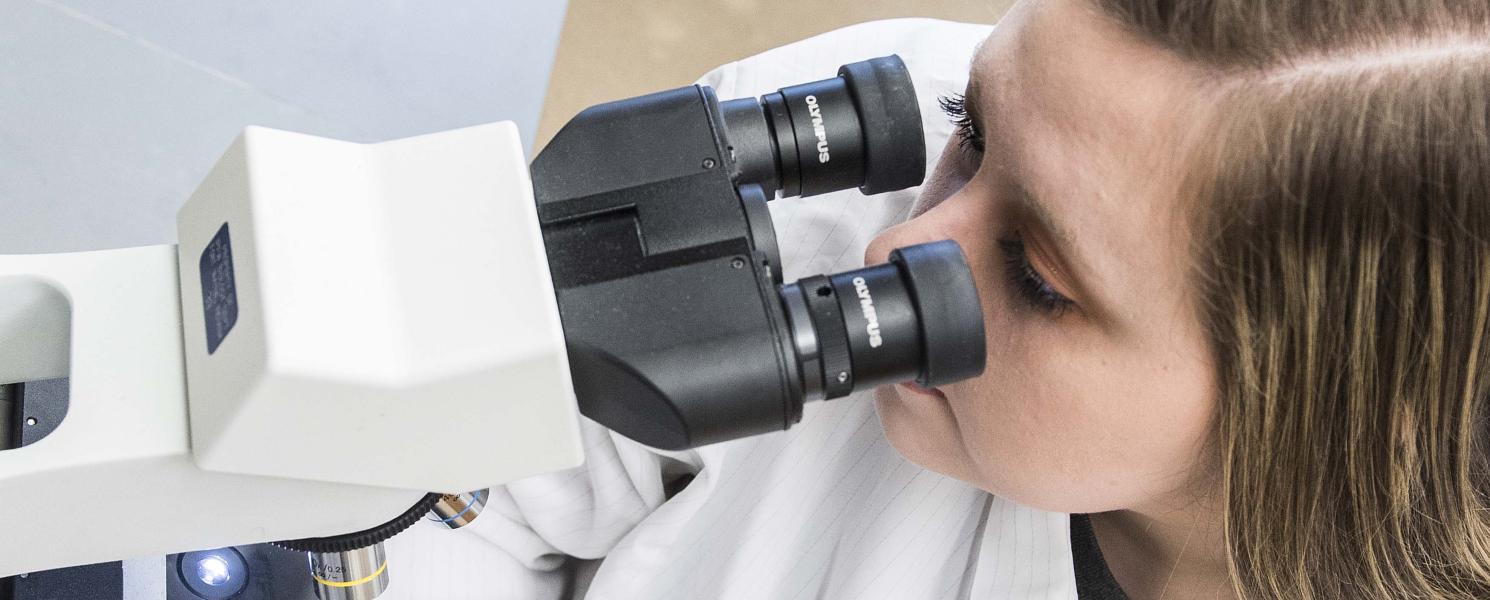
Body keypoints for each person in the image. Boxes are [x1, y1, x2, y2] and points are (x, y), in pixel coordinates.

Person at [391, 2, 1490, 598]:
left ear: (1329, 408)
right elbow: (445, 490)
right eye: (973, 124)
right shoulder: (836, 158)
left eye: (1033, 278)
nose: (903, 236)